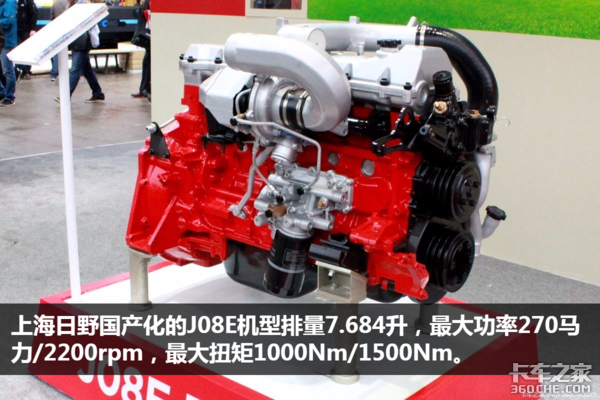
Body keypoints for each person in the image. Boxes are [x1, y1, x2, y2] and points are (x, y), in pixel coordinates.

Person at [55, 0, 104, 103]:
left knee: (75, 70)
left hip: (82, 42)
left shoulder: (84, 4)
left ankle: (65, 96)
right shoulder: (70, 5)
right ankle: (98, 93)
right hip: (76, 41)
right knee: (87, 70)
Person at [131, 0, 150, 101]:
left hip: (149, 36)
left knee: (147, 63)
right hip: (149, 36)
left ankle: (144, 88)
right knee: (146, 63)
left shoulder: (148, 3)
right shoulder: (147, 3)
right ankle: (144, 88)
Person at [0, 0, 17, 106]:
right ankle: (2, 93)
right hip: (2, 41)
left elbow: (9, 22)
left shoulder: (9, 2)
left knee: (7, 70)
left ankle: (10, 97)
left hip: (7, 41)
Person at [14, 0, 37, 81]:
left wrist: (33, 29)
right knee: (17, 50)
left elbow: (33, 13)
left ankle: (27, 71)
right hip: (16, 30)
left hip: (26, 30)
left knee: (27, 50)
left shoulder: (27, 1)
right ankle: (18, 69)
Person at [49, 0, 68, 81]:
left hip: (57, 30)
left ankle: (54, 73)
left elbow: (52, 18)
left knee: (56, 52)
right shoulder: (69, 3)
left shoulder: (55, 4)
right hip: (67, 30)